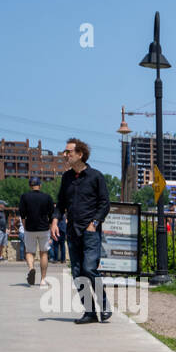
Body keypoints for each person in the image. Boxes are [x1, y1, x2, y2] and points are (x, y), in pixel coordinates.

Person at [51, 137, 112, 324]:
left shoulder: (95, 176)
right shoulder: (67, 177)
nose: (65, 155)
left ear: (80, 154)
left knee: (89, 268)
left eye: (68, 152)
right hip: (72, 231)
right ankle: (90, 312)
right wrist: (54, 221)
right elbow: (61, 203)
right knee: (77, 272)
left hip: (90, 231)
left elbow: (105, 204)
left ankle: (105, 306)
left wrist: (94, 223)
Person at [18, 176, 55, 286]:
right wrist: (49, 227)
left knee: (29, 252)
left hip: (30, 228)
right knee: (44, 253)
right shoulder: (47, 197)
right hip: (44, 228)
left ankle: (31, 268)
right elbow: (52, 214)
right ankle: (43, 280)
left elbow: (22, 214)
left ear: (30, 185)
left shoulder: (24, 197)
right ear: (40, 185)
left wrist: (25, 227)